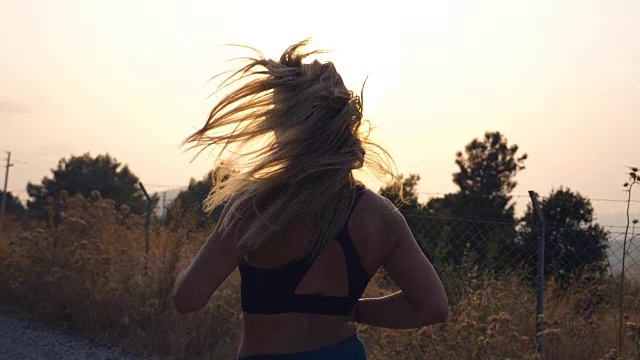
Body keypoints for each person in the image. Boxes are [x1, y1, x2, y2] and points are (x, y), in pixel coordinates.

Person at [172, 40, 448, 360]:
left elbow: (187, 299)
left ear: (284, 127)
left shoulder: (255, 207)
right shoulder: (379, 215)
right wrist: (354, 310)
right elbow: (432, 307)